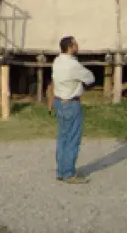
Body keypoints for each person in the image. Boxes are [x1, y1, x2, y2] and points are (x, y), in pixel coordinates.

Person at [51, 36, 95, 184]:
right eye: (76, 44)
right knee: (73, 139)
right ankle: (69, 173)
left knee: (62, 137)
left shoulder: (57, 61)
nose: (78, 46)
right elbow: (90, 78)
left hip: (59, 101)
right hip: (71, 103)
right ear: (70, 47)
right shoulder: (73, 65)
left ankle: (61, 170)